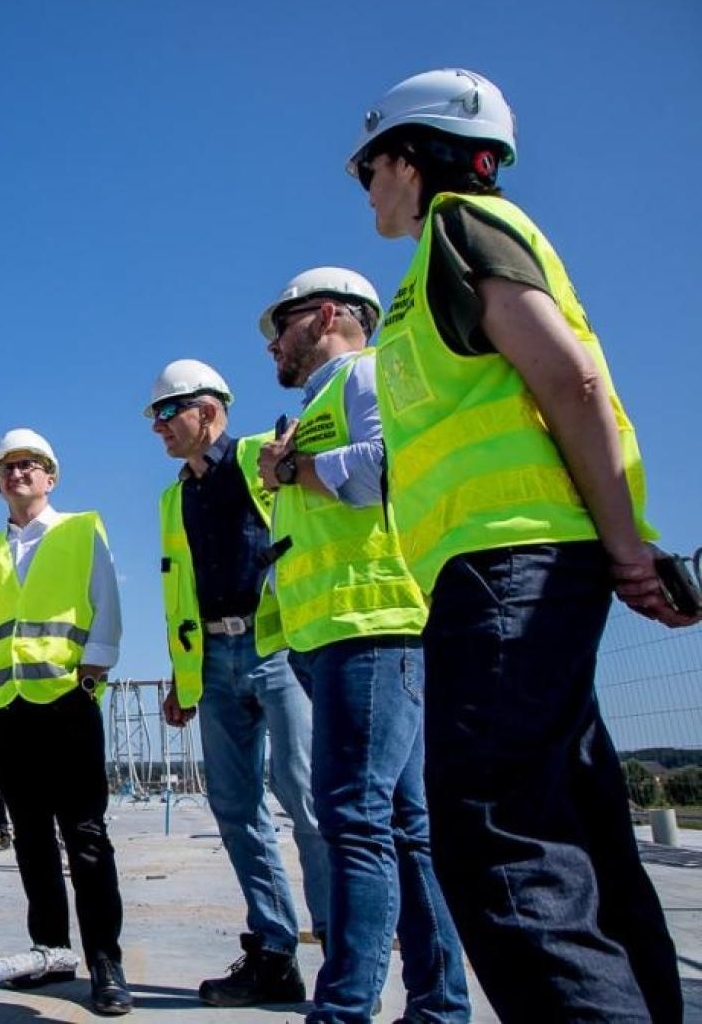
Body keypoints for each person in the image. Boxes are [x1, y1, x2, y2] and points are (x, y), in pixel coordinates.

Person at [347, 68, 698, 1022]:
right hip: (512, 573)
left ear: (411, 157)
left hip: (510, 574)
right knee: (576, 834)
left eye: (368, 165)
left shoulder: (463, 226)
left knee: (496, 841)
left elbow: (570, 380)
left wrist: (628, 549)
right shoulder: (436, 267)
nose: (364, 185)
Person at [255, 267, 469, 1024]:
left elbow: (391, 465)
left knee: (352, 816)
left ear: (324, 315)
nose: (273, 345)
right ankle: (440, 1006)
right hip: (336, 636)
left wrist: (296, 469)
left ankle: (342, 1009)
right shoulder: (313, 405)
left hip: (373, 626)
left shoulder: (369, 375)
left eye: (280, 327)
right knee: (404, 827)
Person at [147, 359, 329, 1007]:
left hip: (277, 644)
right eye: (154, 416)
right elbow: (181, 594)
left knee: (305, 795)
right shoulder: (176, 497)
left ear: (210, 410)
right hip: (214, 664)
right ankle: (276, 952)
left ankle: (342, 953)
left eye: (168, 412)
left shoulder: (260, 456)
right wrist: (180, 675)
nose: (158, 427)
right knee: (234, 806)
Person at [0, 428, 132, 1016]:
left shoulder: (81, 529)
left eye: (28, 465)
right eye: (6, 467)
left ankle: (105, 961)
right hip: (4, 707)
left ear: (50, 477)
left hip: (65, 700)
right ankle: (50, 952)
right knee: (30, 838)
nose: (16, 473)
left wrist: (90, 679)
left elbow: (106, 605)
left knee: (84, 836)